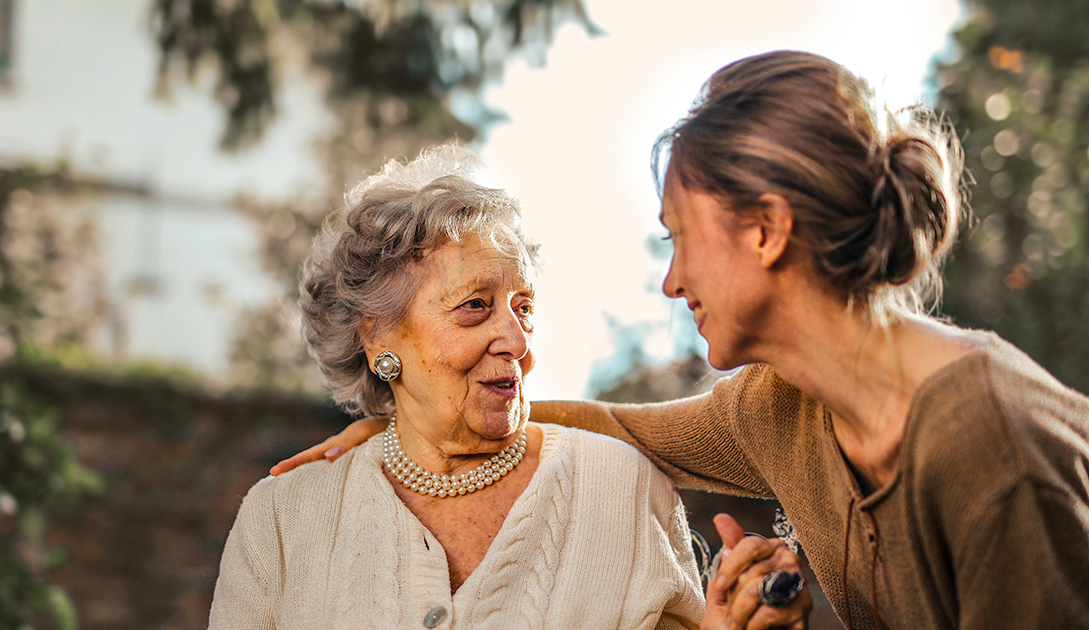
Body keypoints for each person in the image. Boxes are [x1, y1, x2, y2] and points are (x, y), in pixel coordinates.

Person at [273, 51, 1089, 630]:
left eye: (679, 236)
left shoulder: (993, 443)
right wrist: (411, 419)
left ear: (767, 230)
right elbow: (617, 429)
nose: (671, 281)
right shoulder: (781, 406)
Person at [209, 145, 797, 629]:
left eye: (524, 308)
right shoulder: (283, 520)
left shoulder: (622, 488)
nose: (517, 342)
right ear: (378, 336)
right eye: (474, 307)